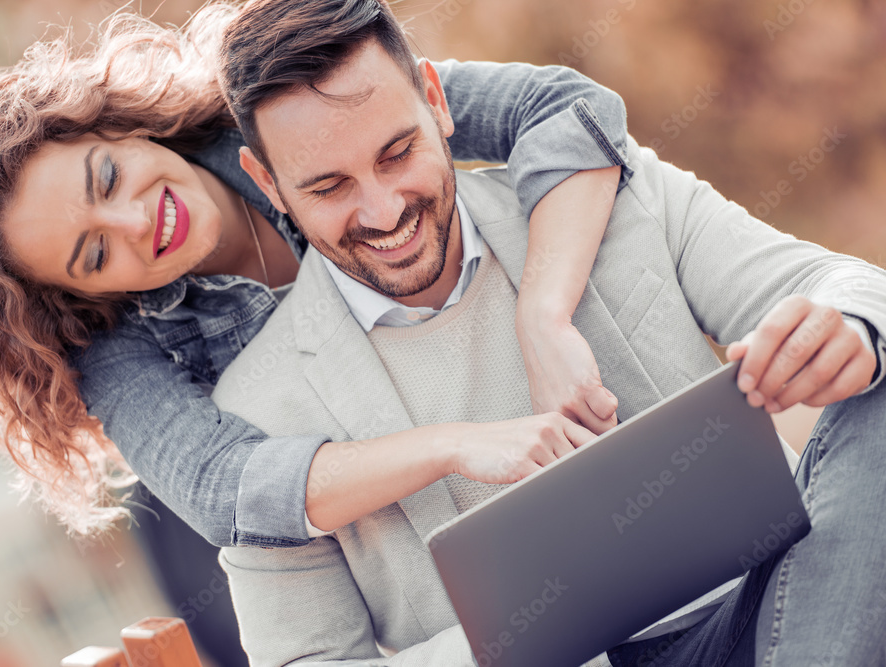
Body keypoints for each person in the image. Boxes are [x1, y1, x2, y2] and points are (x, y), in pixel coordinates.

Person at [212, 0, 886, 664]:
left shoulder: (611, 196)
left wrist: (848, 327)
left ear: (435, 101)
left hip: (780, 602)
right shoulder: (258, 409)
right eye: (329, 188)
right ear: (268, 183)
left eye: (397, 153)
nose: (383, 210)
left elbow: (850, 287)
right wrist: (515, 639)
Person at [0, 1, 632, 551]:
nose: (134, 221)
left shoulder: (277, 110)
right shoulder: (115, 350)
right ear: (78, 293)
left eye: (108, 176)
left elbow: (564, 108)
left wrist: (545, 313)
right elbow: (227, 490)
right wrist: (453, 444)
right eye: (93, 254)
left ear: (115, 124)